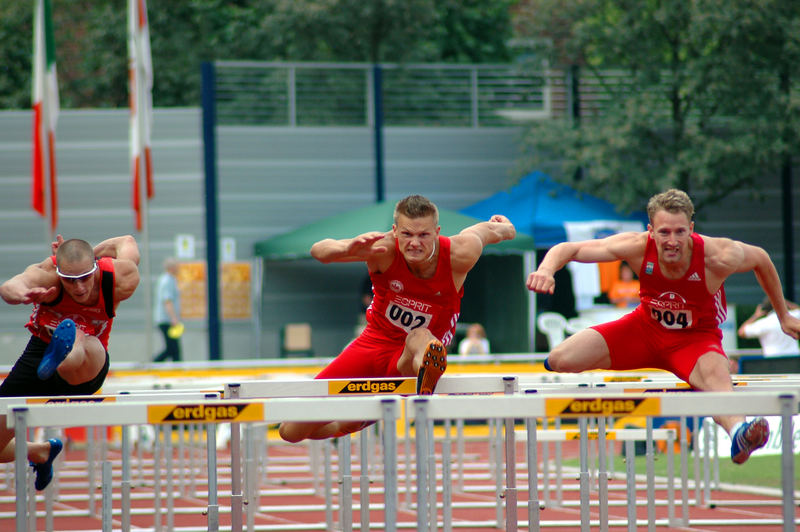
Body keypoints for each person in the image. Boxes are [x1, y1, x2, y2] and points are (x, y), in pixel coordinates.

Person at [526, 189, 800, 464]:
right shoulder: (635, 245)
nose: (672, 241)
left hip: (695, 341)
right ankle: (736, 427)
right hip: (644, 330)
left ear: (691, 229)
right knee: (559, 359)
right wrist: (546, 270)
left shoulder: (717, 255)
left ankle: (739, 433)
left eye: (680, 232)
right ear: (651, 231)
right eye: (664, 232)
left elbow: (762, 259)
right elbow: (569, 249)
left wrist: (783, 316)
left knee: (717, 380)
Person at [279, 195, 516, 442]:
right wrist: (346, 249)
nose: (414, 243)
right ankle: (353, 421)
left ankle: (425, 377)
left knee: (419, 335)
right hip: (372, 344)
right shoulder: (383, 248)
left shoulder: (461, 252)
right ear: (395, 231)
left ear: (437, 232)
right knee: (290, 431)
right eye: (407, 235)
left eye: (423, 235)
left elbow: (493, 231)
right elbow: (320, 250)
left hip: (413, 352)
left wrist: (505, 227)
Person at [0, 234, 140, 488]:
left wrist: (93, 252)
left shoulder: (119, 277)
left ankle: (68, 345)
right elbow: (9, 287)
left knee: (86, 341)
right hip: (39, 354)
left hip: (87, 364)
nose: (79, 288)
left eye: (85, 277)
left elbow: (127, 241)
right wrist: (22, 293)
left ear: (95, 267)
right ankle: (40, 451)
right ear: (59, 272)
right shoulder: (49, 273)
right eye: (70, 280)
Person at [152, 257, 183, 362]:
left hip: (167, 320)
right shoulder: (167, 281)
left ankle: (177, 368)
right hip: (167, 320)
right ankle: (154, 363)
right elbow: (167, 301)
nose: (179, 268)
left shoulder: (169, 279)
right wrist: (174, 318)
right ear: (171, 268)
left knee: (173, 348)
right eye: (177, 266)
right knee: (173, 348)